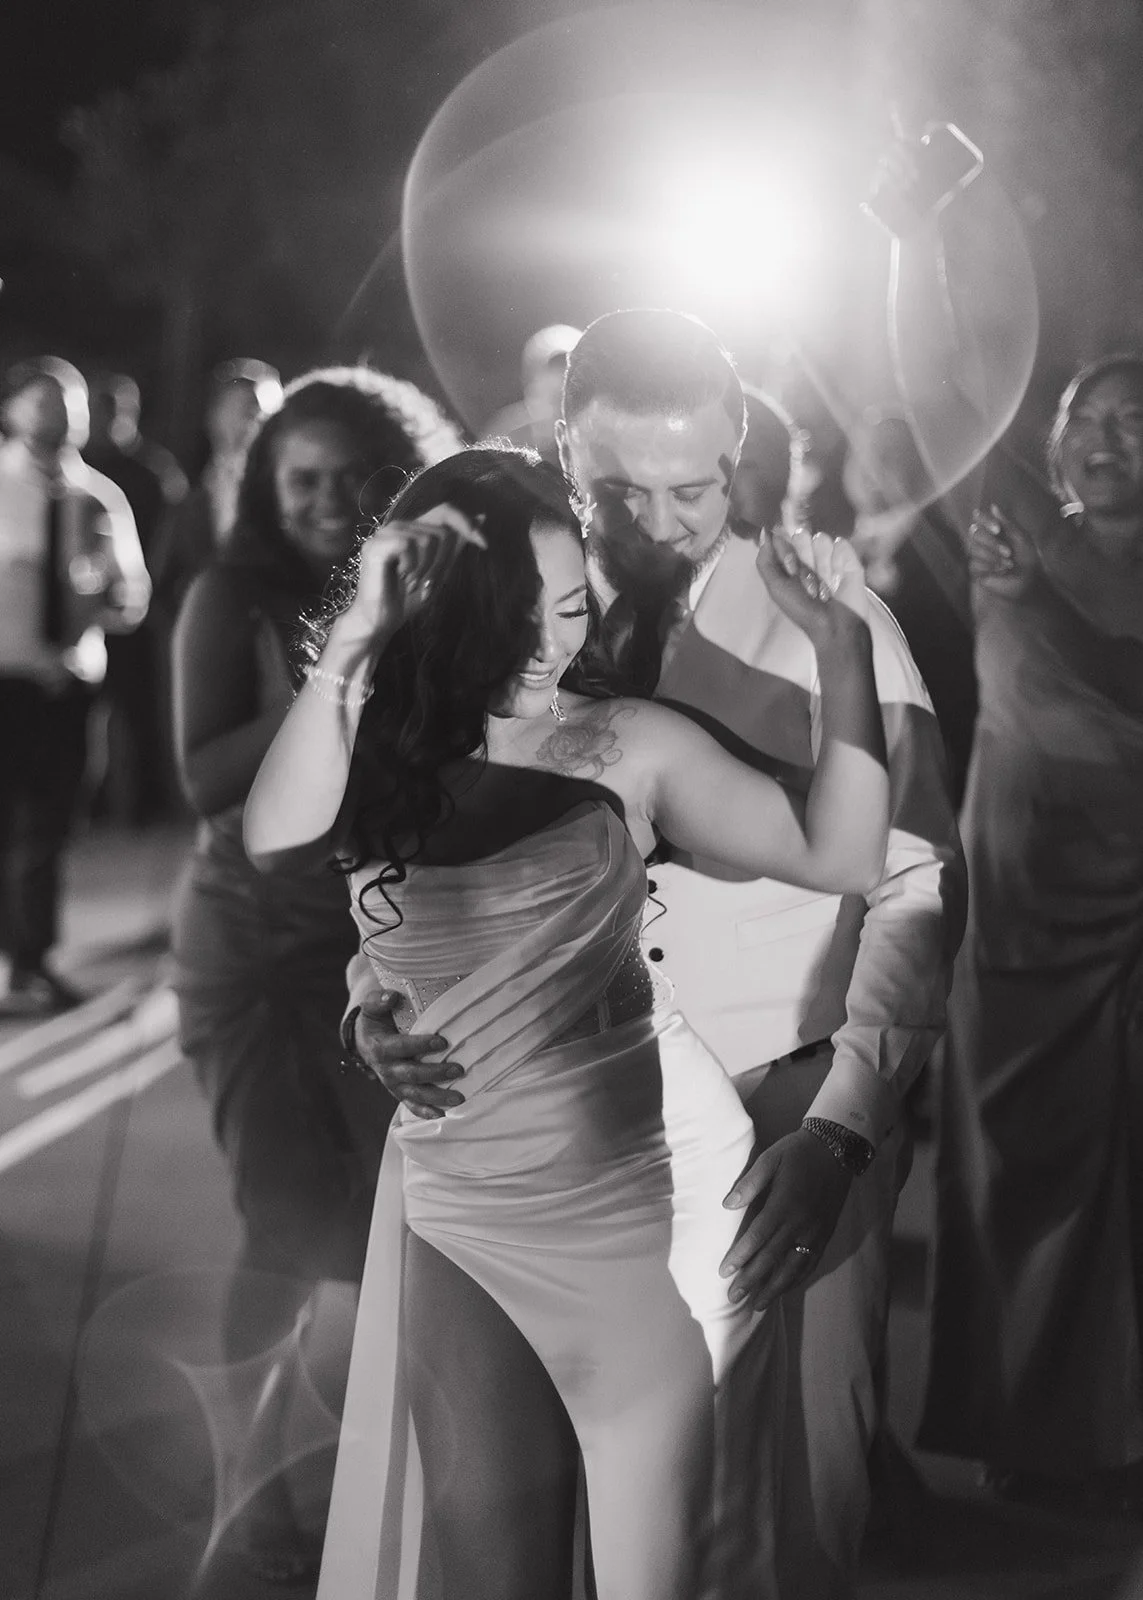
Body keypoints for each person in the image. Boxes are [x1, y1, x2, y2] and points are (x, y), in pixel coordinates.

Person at [353, 311, 964, 1597]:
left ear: (740, 451)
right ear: (563, 450)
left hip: (784, 1124)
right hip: (540, 1140)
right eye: (616, 489)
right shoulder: (506, 616)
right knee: (524, 1533)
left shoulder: (834, 631)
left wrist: (844, 1128)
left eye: (694, 487)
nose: (659, 520)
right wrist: (369, 1009)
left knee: (771, 1539)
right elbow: (409, 860)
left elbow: (913, 883)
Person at [243, 444, 890, 1600]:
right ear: (435, 615)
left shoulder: (628, 741)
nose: (552, 645)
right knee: (491, 1577)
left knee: (658, 1580)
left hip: (649, 1194)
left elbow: (839, 853)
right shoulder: (375, 748)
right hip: (460, 1198)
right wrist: (350, 647)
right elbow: (282, 845)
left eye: (573, 607)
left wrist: (844, 651)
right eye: (517, 617)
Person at [171, 365, 462, 1579]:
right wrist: (325, 684)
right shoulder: (231, 595)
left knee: (366, 1235)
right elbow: (197, 778)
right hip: (258, 950)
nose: (332, 501)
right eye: (304, 480)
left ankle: (331, 1490)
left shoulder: (434, 592)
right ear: (265, 487)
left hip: (373, 953)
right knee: (289, 1225)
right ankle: (243, 1497)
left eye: (357, 477)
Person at [917, 356, 1143, 1509]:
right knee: (1017, 1162)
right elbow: (939, 389)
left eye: (1135, 420)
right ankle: (1030, 1426)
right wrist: (914, 230)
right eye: (1084, 421)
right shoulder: (1007, 534)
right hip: (1022, 905)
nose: (1106, 439)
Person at [0, 357, 149, 1014]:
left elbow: (132, 596)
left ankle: (33, 963)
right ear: (13, 411)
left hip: (69, 686)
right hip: (4, 680)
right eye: (43, 403)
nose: (58, 417)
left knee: (51, 828)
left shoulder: (100, 498)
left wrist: (100, 596)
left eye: (70, 404)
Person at [84, 371, 188, 823]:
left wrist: (151, 595)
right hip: (87, 611)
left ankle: (147, 802)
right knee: (87, 712)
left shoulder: (153, 470)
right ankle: (95, 806)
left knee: (139, 708)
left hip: (141, 609)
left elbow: (171, 537)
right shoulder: (85, 467)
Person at [151, 358, 283, 628]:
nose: (252, 425)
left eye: (262, 414)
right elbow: (162, 587)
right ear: (214, 417)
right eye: (244, 411)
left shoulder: (296, 498)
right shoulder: (189, 500)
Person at [481, 323, 582, 462]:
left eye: (568, 368)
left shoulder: (592, 441)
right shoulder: (507, 437)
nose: (560, 379)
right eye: (553, 368)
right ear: (533, 377)